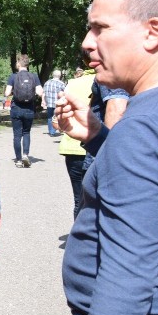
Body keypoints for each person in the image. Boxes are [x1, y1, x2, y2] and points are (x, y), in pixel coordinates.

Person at [55, 0, 158, 315]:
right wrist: (101, 137)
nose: (87, 43)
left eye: (100, 28)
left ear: (153, 31)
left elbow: (128, 271)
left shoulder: (142, 130)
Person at [56, 67, 95, 219]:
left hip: (73, 147)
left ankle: (78, 240)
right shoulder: (113, 82)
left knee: (79, 200)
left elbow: (57, 123)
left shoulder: (73, 84)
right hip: (99, 150)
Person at [4, 54, 43, 167]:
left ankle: (18, 160)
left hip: (16, 108)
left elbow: (6, 93)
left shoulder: (13, 77)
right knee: (26, 132)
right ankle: (25, 154)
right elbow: (40, 92)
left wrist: (13, 91)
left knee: (17, 135)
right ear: (27, 64)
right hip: (29, 109)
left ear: (18, 63)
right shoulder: (34, 76)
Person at [42, 69, 66, 136]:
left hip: (49, 103)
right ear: (60, 75)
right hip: (58, 103)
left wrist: (43, 101)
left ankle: (51, 132)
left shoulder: (47, 82)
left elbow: (43, 93)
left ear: (53, 75)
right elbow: (65, 93)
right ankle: (57, 129)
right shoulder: (61, 84)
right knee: (58, 117)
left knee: (50, 117)